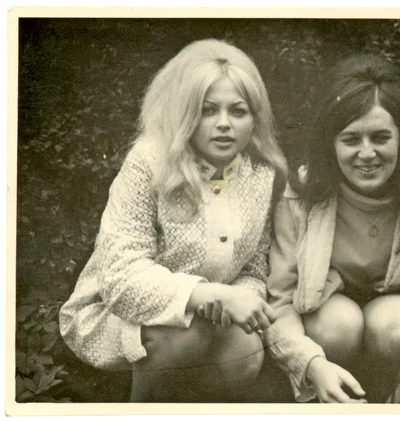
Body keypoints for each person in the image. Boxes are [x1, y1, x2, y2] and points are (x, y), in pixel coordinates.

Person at [59, 39, 288, 403]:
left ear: (254, 118)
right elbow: (120, 276)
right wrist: (204, 294)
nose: (224, 124)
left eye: (238, 111)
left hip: (214, 316)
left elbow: (255, 265)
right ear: (184, 114)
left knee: (245, 353)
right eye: (207, 110)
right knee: (184, 336)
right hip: (120, 313)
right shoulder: (148, 162)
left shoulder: (259, 173)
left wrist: (239, 297)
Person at [263, 54, 400, 403]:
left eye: (381, 137)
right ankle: (329, 400)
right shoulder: (302, 194)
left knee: (397, 325)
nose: (367, 154)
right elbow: (280, 299)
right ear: (330, 143)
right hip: (327, 320)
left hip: (398, 315)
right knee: (337, 324)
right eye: (351, 140)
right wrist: (310, 362)